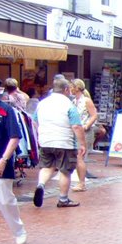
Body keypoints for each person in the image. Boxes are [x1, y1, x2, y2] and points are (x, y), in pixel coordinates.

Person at [33, 77, 85, 208]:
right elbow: (76, 126)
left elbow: (34, 122)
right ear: (66, 89)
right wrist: (82, 144)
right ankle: (63, 199)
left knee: (47, 167)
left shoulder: (42, 104)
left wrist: (41, 133)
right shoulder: (68, 105)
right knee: (65, 170)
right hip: (64, 142)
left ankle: (41, 184)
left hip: (45, 141)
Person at [0, 94, 27, 244]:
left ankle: (19, 231)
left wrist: (3, 160)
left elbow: (15, 137)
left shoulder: (6, 110)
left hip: (1, 161)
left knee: (5, 200)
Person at [69, 79, 98, 192]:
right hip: (75, 131)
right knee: (77, 157)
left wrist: (86, 125)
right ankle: (81, 181)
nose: (70, 89)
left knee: (80, 157)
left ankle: (82, 183)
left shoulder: (86, 100)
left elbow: (94, 115)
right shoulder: (73, 101)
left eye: (71, 86)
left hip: (85, 132)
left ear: (76, 88)